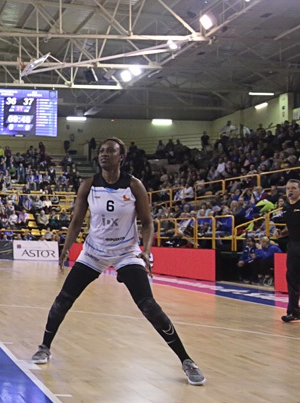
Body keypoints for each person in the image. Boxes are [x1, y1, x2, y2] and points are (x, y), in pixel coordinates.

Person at [30, 138, 206, 386]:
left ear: (120, 156)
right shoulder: (88, 185)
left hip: (126, 252)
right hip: (94, 251)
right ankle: (44, 347)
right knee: (63, 301)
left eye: (110, 151)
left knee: (149, 306)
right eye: (101, 151)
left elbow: (147, 222)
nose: (104, 154)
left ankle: (187, 361)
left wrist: (145, 250)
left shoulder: (134, 186)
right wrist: (66, 247)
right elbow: (77, 221)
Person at [276, 179, 300, 322]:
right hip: (293, 245)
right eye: (288, 188)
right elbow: (289, 228)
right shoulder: (286, 208)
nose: (290, 191)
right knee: (292, 278)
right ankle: (293, 311)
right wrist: (282, 233)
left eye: (293, 188)